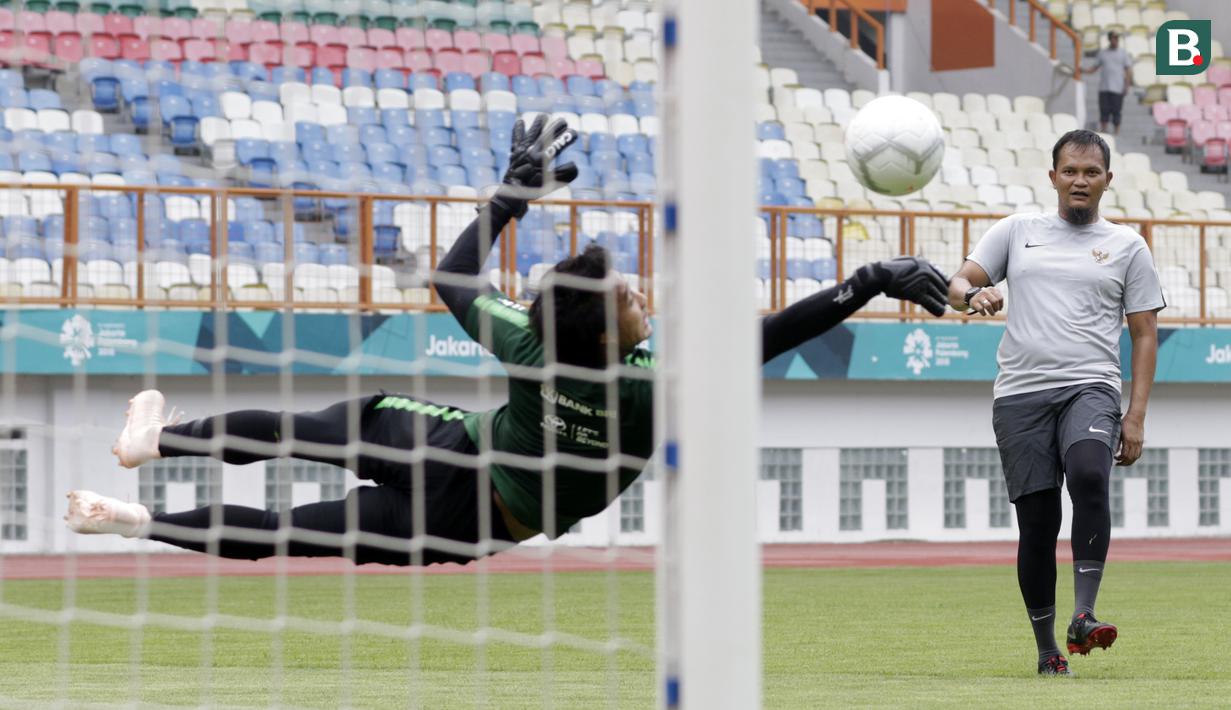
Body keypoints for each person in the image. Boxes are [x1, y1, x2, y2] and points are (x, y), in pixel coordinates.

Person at [65, 116, 952, 566]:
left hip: (457, 454)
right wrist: (864, 283)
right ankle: (140, 521)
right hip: (479, 522)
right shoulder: (652, 385)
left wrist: (509, 197)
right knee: (295, 533)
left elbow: (453, 280)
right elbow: (766, 339)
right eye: (630, 295)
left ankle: (162, 447)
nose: (642, 296)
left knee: (318, 431)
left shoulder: (536, 346)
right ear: (611, 328)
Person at [946, 129, 1165, 676]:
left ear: (1107, 181)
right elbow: (956, 283)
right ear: (1052, 177)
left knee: (1090, 473)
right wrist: (976, 294)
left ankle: (1084, 615)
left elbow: (1143, 333)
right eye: (1070, 171)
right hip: (1019, 395)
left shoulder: (1128, 246)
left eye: (1091, 173)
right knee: (1038, 526)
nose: (1079, 181)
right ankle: (1048, 650)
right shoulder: (1016, 232)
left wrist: (1134, 414)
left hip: (1090, 385)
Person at [1085, 31, 1133, 134]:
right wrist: (1083, 71)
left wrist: (1127, 86)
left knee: (1116, 111)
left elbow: (1128, 70)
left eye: (1117, 38)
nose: (1115, 40)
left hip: (1117, 87)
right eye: (1114, 38)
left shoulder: (1123, 53)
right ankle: (1104, 130)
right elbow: (1094, 67)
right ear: (1109, 39)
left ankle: (1117, 132)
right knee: (1104, 110)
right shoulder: (1103, 53)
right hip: (1104, 87)